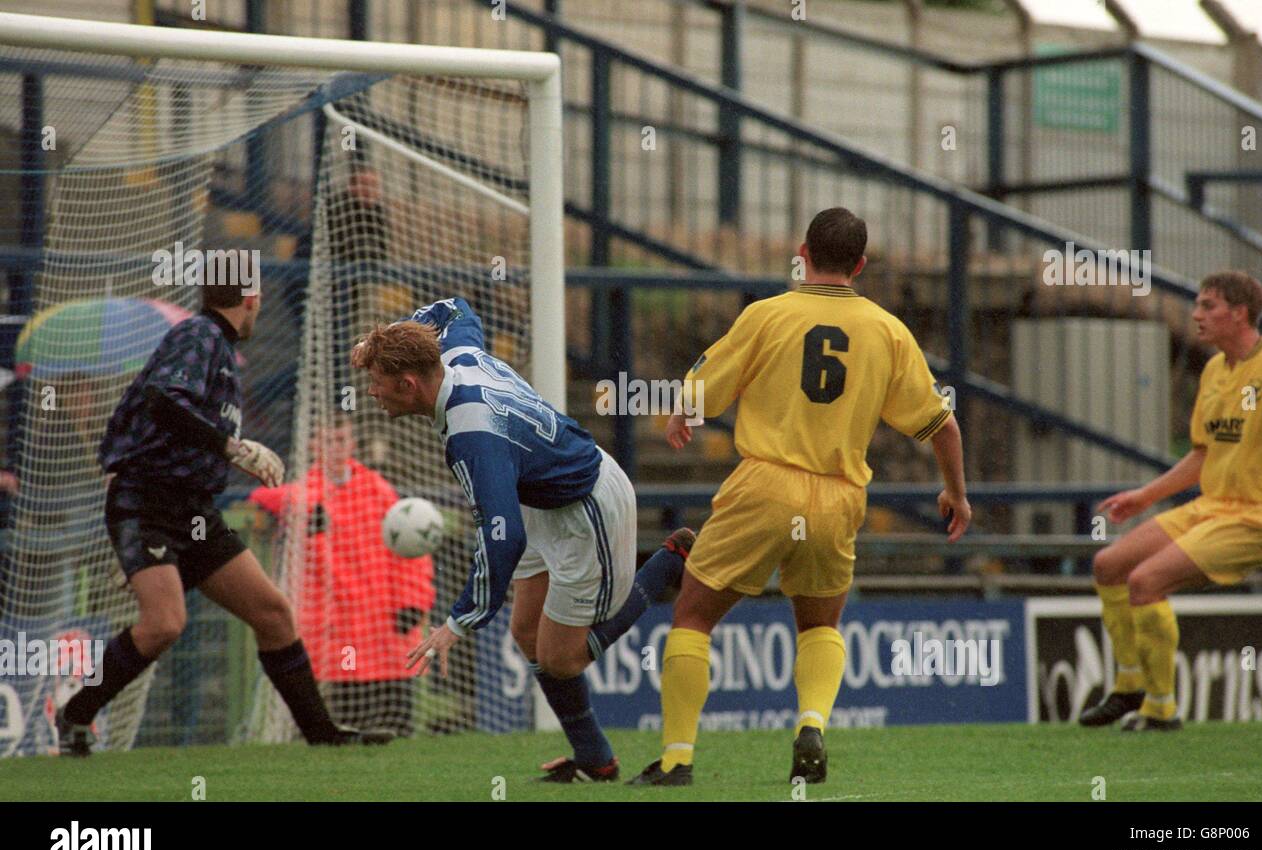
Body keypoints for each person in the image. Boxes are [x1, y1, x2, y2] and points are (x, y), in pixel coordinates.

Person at [632, 208, 971, 786]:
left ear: (801, 252)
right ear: (860, 265)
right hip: (839, 495)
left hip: (765, 482)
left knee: (692, 614)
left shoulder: (768, 315)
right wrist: (957, 495)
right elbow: (945, 427)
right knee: (819, 624)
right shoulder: (888, 331)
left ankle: (676, 759)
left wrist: (681, 414)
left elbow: (702, 394)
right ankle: (811, 722)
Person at [352, 297, 693, 782]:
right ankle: (596, 761)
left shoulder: (472, 436)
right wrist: (381, 342)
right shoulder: (455, 354)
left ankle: (668, 562)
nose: (371, 393)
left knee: (561, 657)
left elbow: (502, 538)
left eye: (378, 384)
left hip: (587, 507)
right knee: (525, 632)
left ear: (409, 384)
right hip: (539, 495)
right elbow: (454, 309)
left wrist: (459, 621)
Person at [56, 280, 393, 755]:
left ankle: (324, 736)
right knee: (164, 624)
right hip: (149, 502)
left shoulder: (220, 349)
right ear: (252, 299)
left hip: (193, 508)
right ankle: (76, 715)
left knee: (273, 614)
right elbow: (163, 399)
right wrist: (232, 447)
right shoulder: (201, 335)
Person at [1085, 270, 1262, 731]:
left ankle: (1161, 709)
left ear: (1239, 314)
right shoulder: (1214, 369)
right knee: (1109, 564)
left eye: (1208, 306)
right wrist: (1145, 496)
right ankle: (1129, 685)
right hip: (1211, 508)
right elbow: (1204, 454)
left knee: (1145, 582)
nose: (1196, 315)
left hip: (1257, 518)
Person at [248, 412, 434, 736]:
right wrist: (301, 508)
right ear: (313, 445)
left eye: (342, 439)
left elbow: (410, 554)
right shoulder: (306, 493)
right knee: (345, 725)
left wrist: (412, 602)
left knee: (397, 730)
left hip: (384, 626)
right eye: (328, 440)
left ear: (353, 443)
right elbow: (260, 496)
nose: (336, 447)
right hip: (337, 632)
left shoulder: (378, 490)